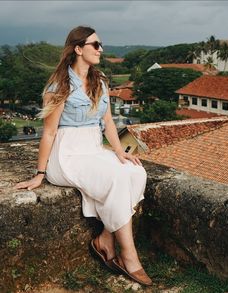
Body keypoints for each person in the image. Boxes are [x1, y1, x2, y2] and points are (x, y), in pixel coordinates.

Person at [15, 26, 152, 286]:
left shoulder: (100, 81)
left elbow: (109, 123)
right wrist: (40, 174)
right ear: (78, 49)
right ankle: (130, 257)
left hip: (94, 149)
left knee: (135, 172)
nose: (101, 49)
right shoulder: (59, 86)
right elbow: (49, 133)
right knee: (116, 178)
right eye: (95, 45)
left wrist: (120, 152)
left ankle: (105, 236)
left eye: (100, 44)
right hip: (66, 155)